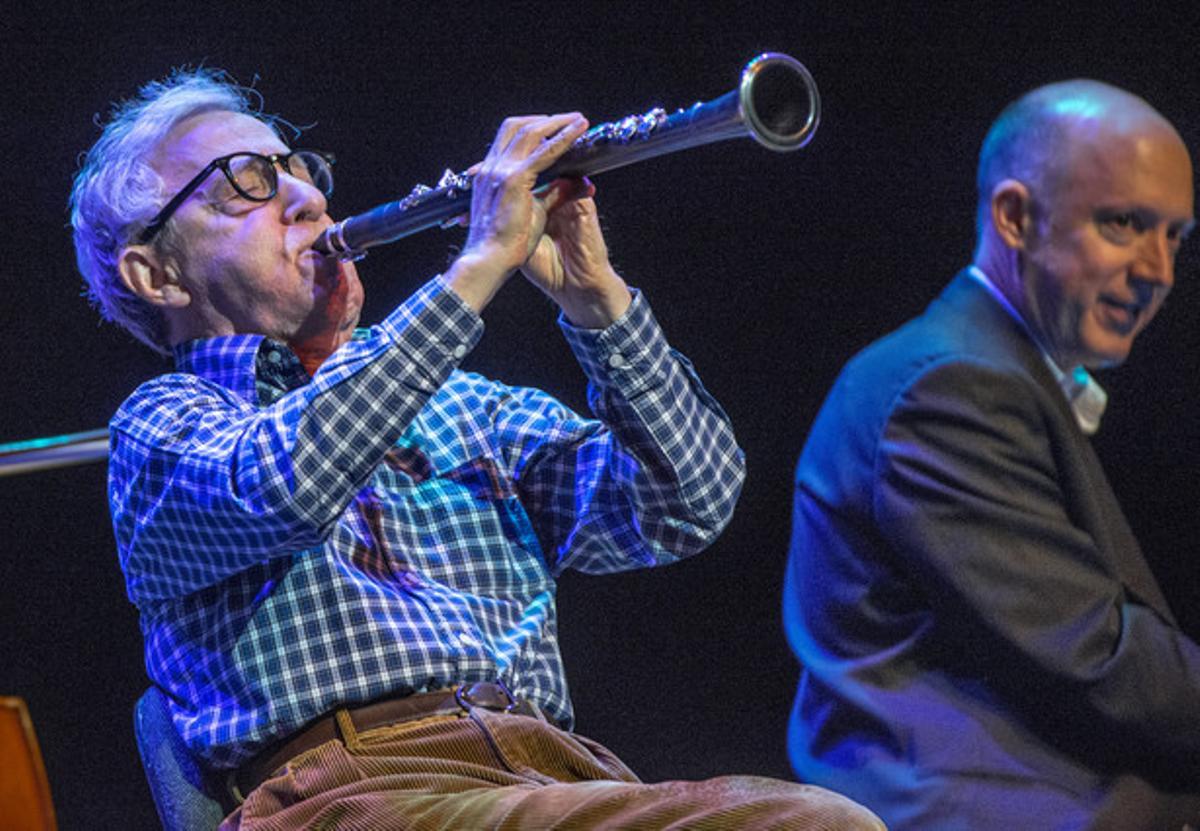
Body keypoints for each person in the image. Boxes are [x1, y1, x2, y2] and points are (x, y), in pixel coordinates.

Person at [71, 69, 882, 829]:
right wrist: (479, 262)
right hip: (350, 791)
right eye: (247, 180)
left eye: (299, 168)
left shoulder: (470, 408)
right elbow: (288, 483)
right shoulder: (167, 422)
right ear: (156, 275)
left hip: (551, 775)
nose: (306, 196)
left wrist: (597, 299)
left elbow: (689, 503)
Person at [783, 78, 1200, 830]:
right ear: (1015, 216)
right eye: (1125, 225)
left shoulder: (983, 370)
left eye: (1176, 236)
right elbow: (1095, 658)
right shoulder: (949, 386)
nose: (1158, 272)